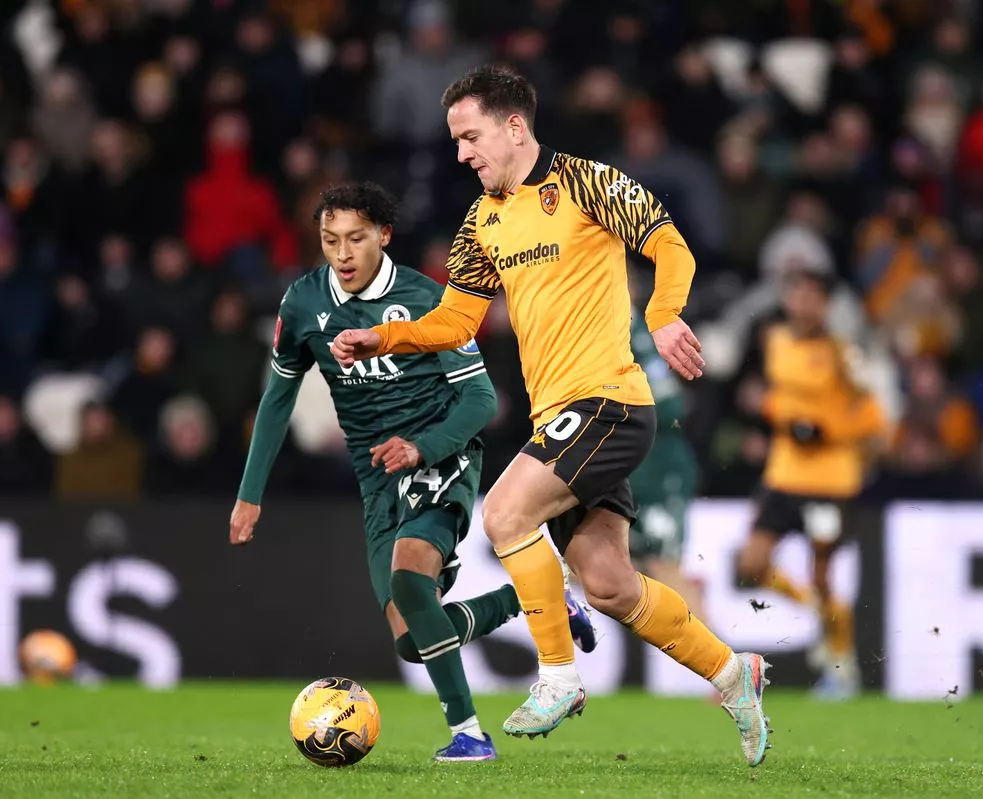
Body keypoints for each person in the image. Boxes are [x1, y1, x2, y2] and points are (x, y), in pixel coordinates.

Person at [332, 66, 772, 767]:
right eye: (454, 141)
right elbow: (456, 319)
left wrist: (662, 316)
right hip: (558, 417)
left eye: (470, 136)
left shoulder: (587, 183)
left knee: (505, 514)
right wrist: (383, 335)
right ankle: (732, 673)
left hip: (609, 401)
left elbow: (668, 242)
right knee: (608, 582)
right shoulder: (481, 219)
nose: (461, 154)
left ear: (515, 127)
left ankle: (560, 676)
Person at [229, 182, 597, 763]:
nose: (342, 254)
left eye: (355, 238)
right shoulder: (302, 304)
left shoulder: (428, 300)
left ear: (384, 235)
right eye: (330, 241)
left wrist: (421, 447)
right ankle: (542, 597)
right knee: (411, 639)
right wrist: (250, 496)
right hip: (375, 478)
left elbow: (481, 401)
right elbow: (279, 398)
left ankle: (469, 735)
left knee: (408, 579)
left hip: (441, 456)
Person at [736, 268, 888, 700]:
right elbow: (777, 397)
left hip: (829, 482)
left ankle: (842, 671)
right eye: (795, 295)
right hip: (783, 476)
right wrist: (772, 410)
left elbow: (872, 414)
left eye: (810, 297)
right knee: (751, 565)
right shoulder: (776, 341)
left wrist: (826, 430)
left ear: (824, 304)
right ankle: (822, 615)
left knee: (822, 575)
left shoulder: (843, 351)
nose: (801, 304)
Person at [625, 273, 708, 635]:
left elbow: (670, 403)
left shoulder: (639, 333)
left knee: (664, 566)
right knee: (588, 563)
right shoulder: (597, 329)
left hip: (660, 471)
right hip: (625, 471)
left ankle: (728, 667)